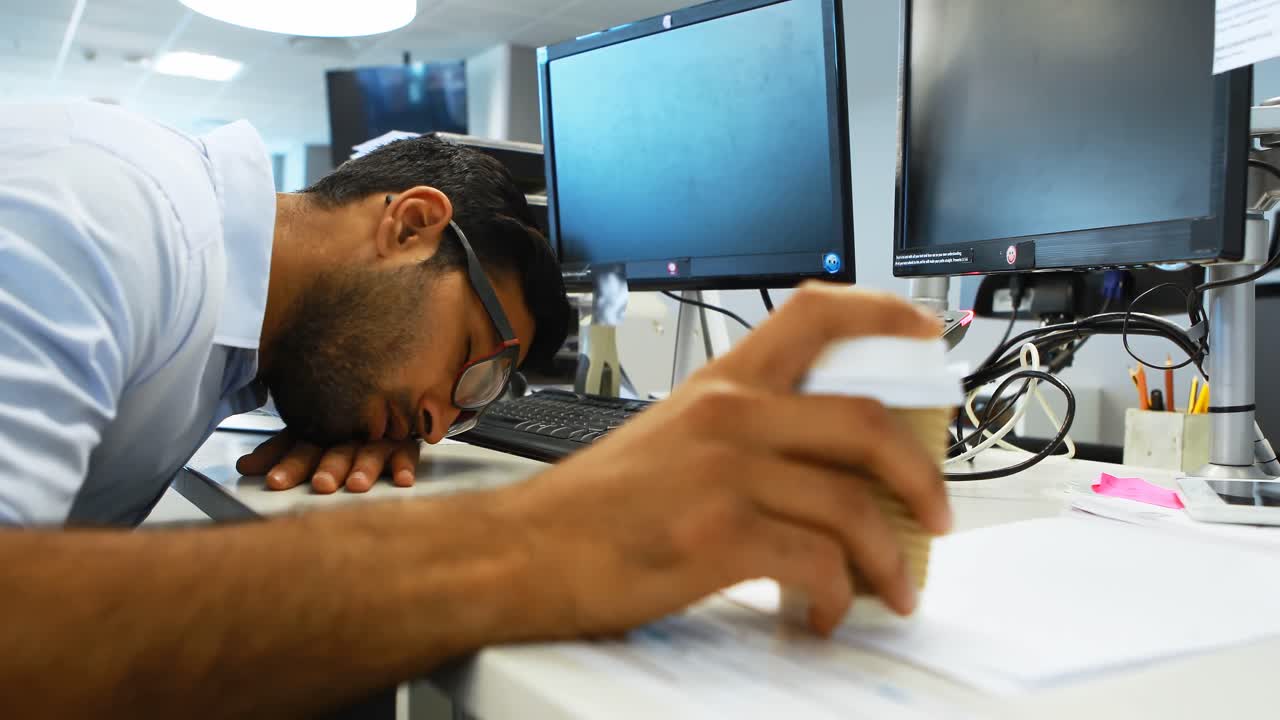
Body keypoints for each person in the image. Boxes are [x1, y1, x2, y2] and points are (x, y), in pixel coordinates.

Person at [0, 101, 950, 716]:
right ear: (412, 224)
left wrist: (340, 410)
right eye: (471, 362)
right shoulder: (107, 214)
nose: (438, 423)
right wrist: (541, 542)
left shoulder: (241, 332)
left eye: (477, 400)